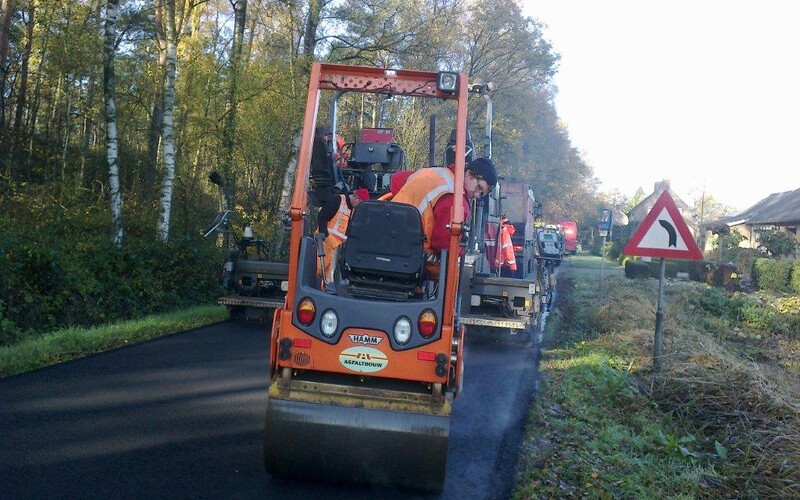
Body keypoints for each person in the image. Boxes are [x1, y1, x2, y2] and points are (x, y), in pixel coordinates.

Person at [392, 157, 497, 277]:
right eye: (479, 187)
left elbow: (397, 179)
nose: (477, 195)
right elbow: (444, 244)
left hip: (385, 239)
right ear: (469, 173)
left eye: (482, 194)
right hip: (408, 259)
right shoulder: (456, 200)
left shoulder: (431, 172)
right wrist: (460, 250)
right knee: (450, 272)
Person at [317, 188, 370, 282]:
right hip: (324, 244)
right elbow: (322, 218)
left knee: (329, 277)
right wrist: (324, 236)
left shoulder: (353, 210)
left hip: (336, 248)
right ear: (357, 199)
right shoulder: (337, 200)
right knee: (316, 270)